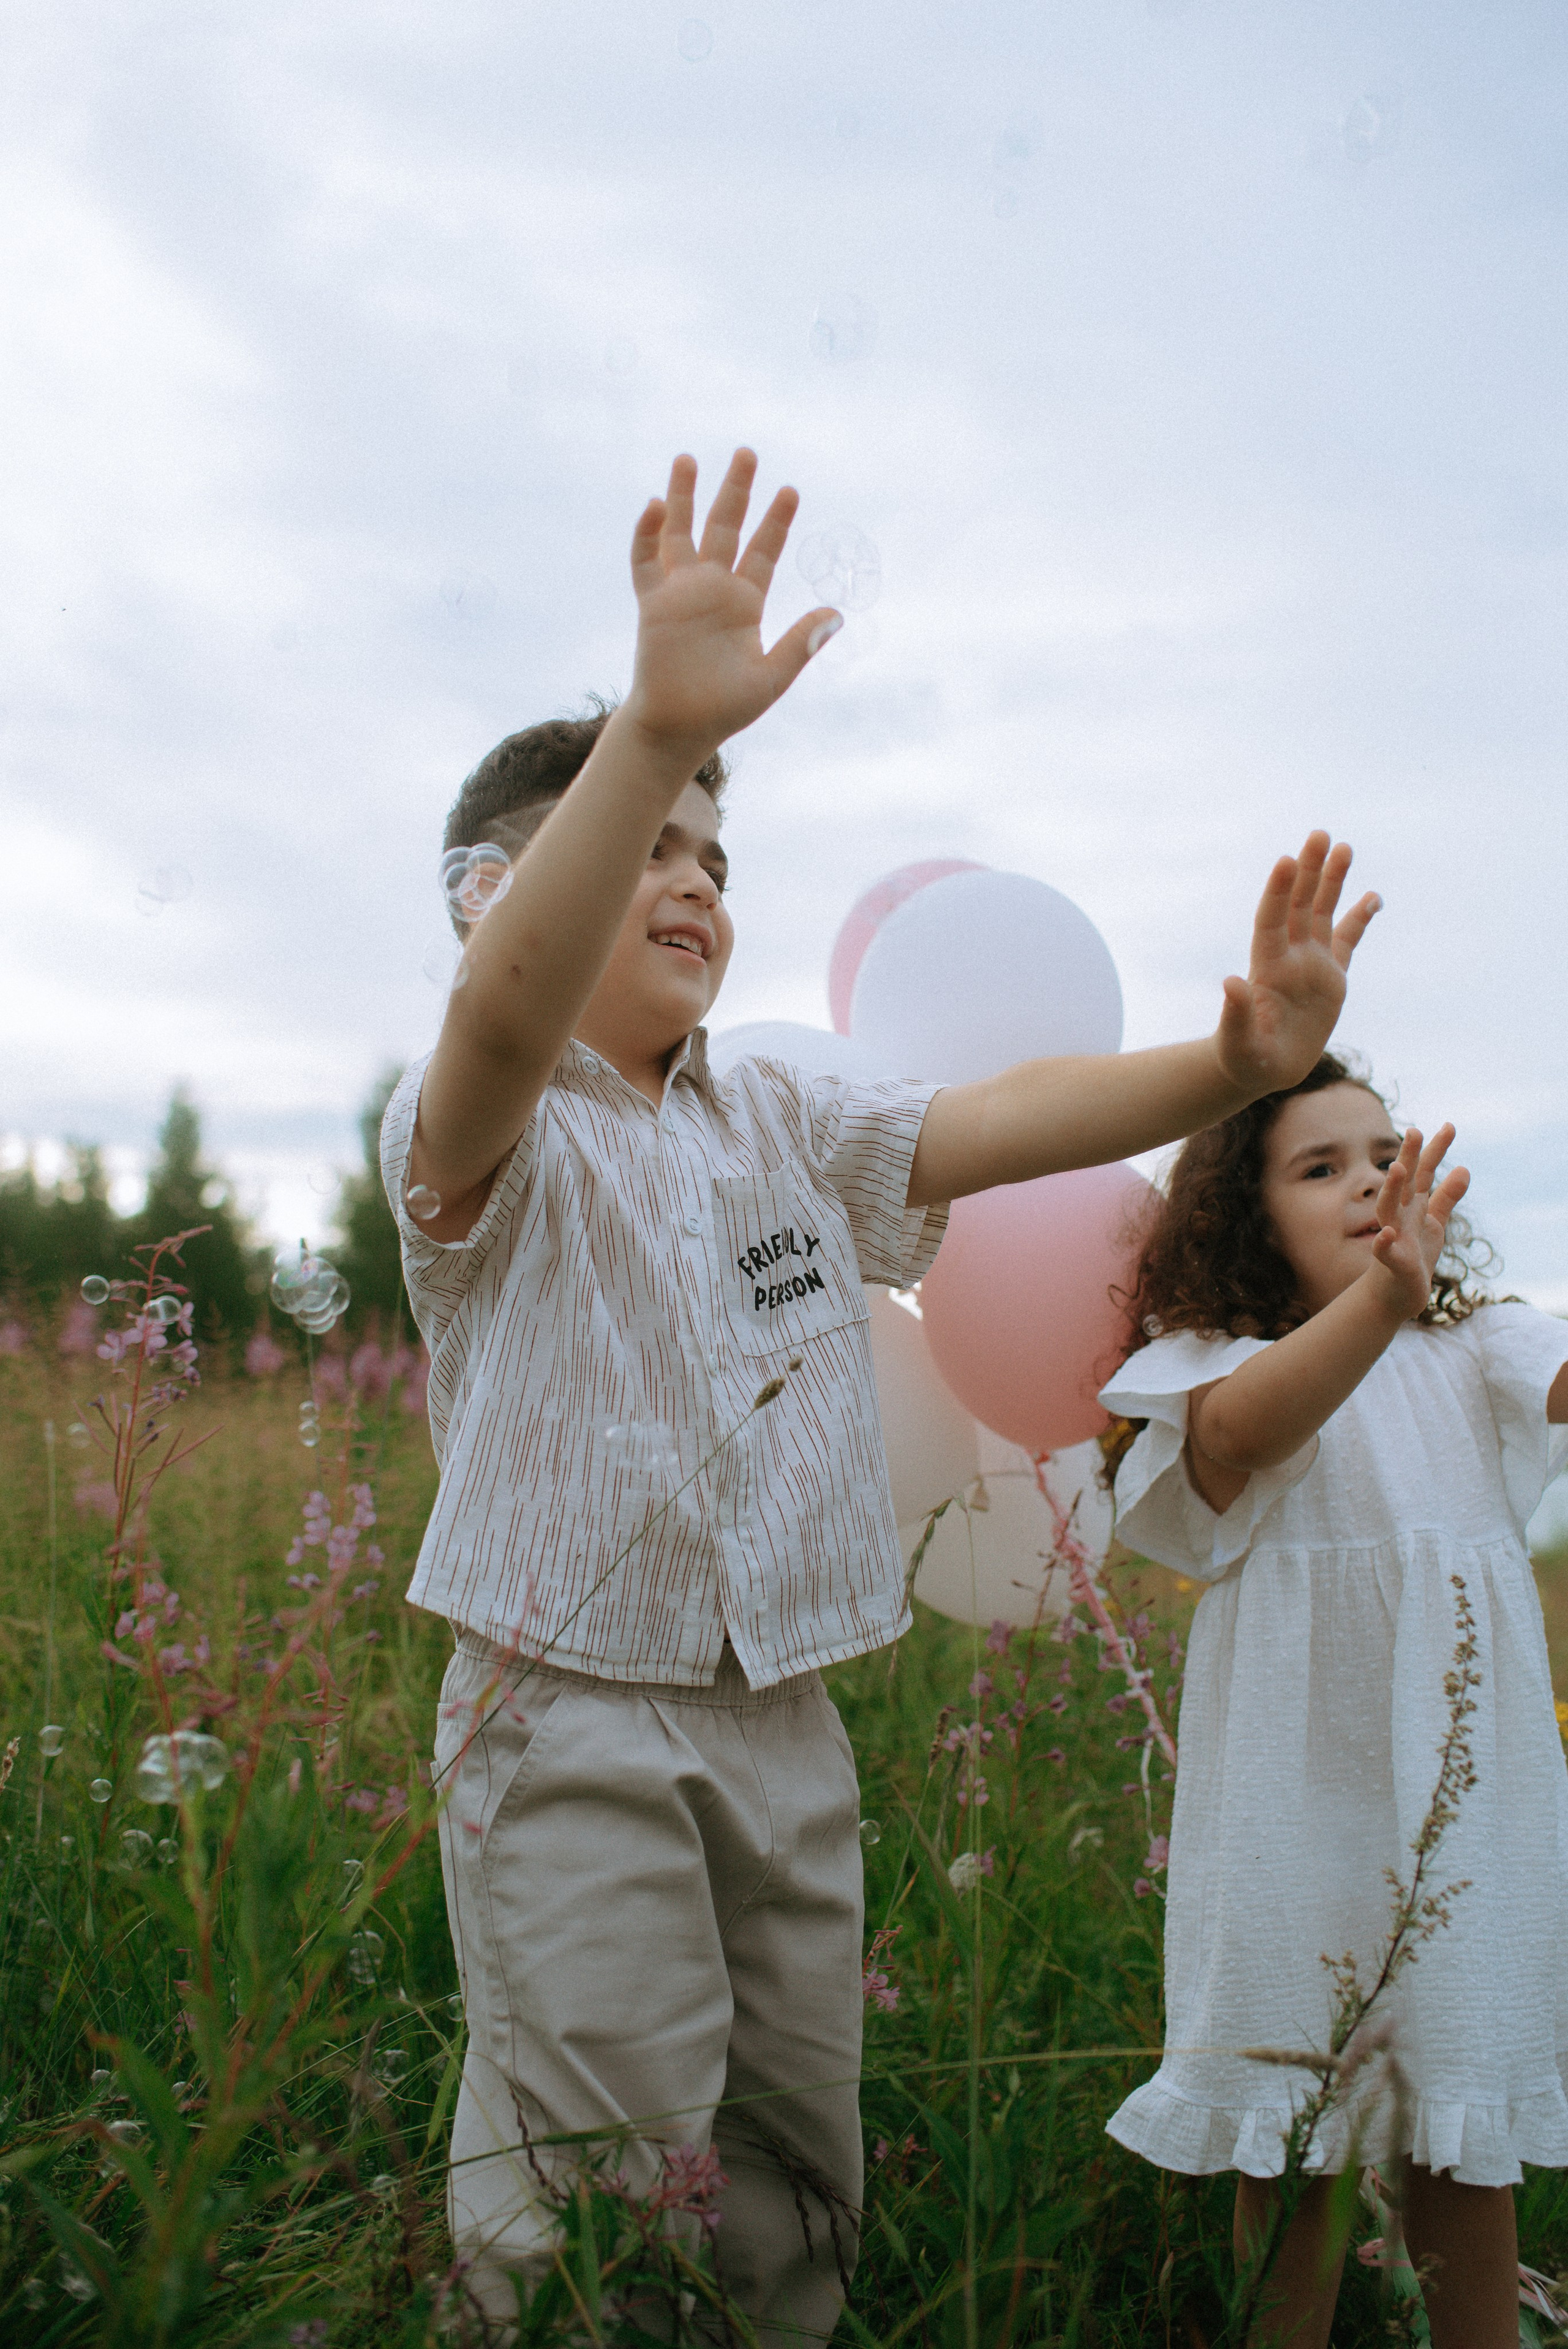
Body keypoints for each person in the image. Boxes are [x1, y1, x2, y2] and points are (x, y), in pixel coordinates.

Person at [379, 444, 1380, 2342]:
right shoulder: (487, 1131)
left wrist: (1230, 1058)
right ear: (503, 892)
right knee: (600, 2185)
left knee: (789, 2179)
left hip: (785, 1718)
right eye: (648, 839)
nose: (691, 879)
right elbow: (507, 1008)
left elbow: (990, 1120)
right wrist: (659, 725)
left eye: (712, 855)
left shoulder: (781, 1110)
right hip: (567, 1715)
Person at [1097, 1052, 1568, 2349]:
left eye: (1381, 1154)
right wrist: (1376, 1299)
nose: (1369, 1181)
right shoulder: (1216, 1358)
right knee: (1288, 2137)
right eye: (1321, 1166)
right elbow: (1242, 1437)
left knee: (1460, 2135)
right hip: (1289, 1811)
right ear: (1245, 1215)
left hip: (1461, 1801)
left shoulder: (1472, 1342)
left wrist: (1406, 1299)